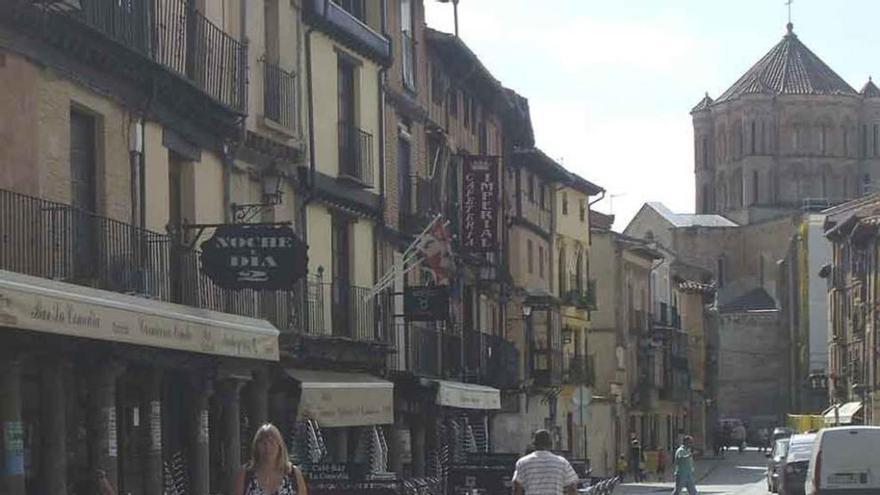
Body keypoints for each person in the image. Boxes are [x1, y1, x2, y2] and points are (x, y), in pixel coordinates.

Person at [234, 423, 308, 495]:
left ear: (280, 446)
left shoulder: (293, 474)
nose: (267, 448)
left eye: (272, 442)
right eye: (263, 443)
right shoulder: (245, 474)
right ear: (256, 447)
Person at [512, 429, 579, 495]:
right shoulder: (562, 463)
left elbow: (517, 488)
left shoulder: (522, 463)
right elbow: (572, 488)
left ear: (534, 444)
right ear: (551, 444)